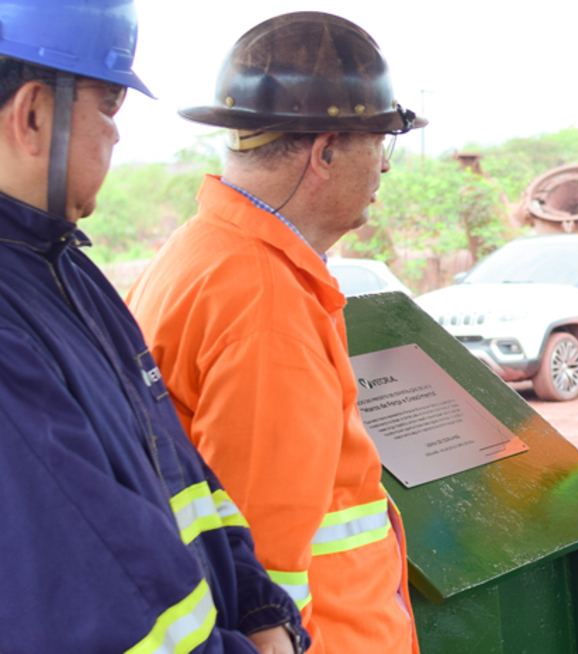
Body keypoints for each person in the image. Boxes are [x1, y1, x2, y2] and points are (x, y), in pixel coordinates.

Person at [0, 2, 309, 653]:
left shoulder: (67, 271)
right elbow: (92, 605)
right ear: (32, 116)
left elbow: (182, 475)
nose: (116, 135)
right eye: (109, 105)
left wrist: (258, 604)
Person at [128, 12, 426, 654]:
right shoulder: (265, 301)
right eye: (380, 143)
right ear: (326, 151)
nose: (383, 168)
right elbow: (264, 573)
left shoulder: (202, 253)